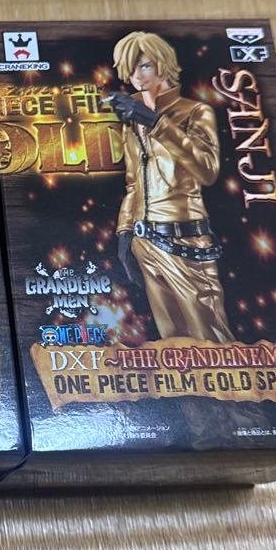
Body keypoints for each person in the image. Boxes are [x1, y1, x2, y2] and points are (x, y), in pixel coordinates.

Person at [106, 30, 234, 343]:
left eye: (145, 66)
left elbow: (207, 170)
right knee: (174, 344)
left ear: (163, 64)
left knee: (211, 338)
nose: (137, 76)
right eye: (131, 69)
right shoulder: (132, 119)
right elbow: (133, 183)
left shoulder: (194, 112)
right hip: (145, 242)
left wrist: (157, 123)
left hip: (186, 239)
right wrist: (124, 233)